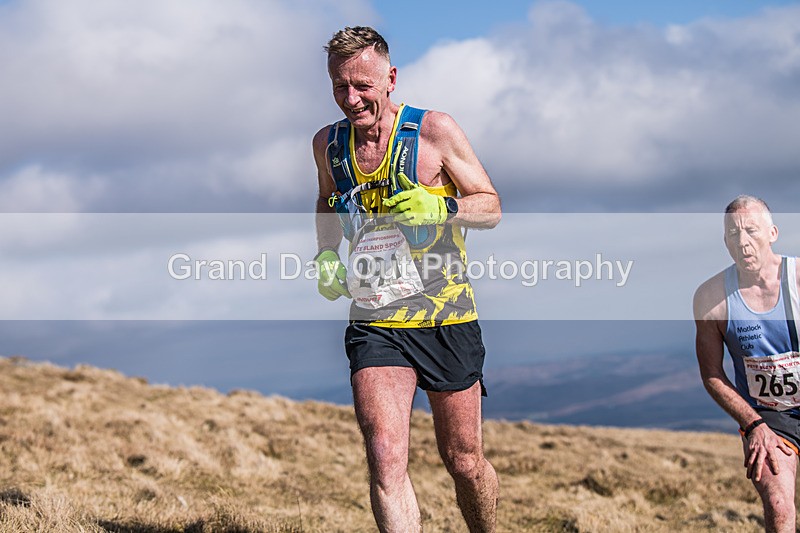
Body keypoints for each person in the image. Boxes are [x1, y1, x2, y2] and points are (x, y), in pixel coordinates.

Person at [311, 26, 501, 532]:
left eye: (363, 86)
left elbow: (490, 206)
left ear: (390, 79)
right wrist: (327, 253)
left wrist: (442, 207)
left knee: (463, 460)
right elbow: (327, 199)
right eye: (339, 86)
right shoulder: (328, 144)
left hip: (446, 316)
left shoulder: (433, 131)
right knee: (384, 454)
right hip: (375, 318)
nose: (351, 99)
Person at [694, 195, 800, 532]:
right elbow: (712, 374)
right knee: (779, 506)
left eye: (751, 230)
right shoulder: (711, 298)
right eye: (733, 234)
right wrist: (754, 425)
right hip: (769, 417)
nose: (743, 242)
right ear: (725, 242)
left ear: (772, 233)